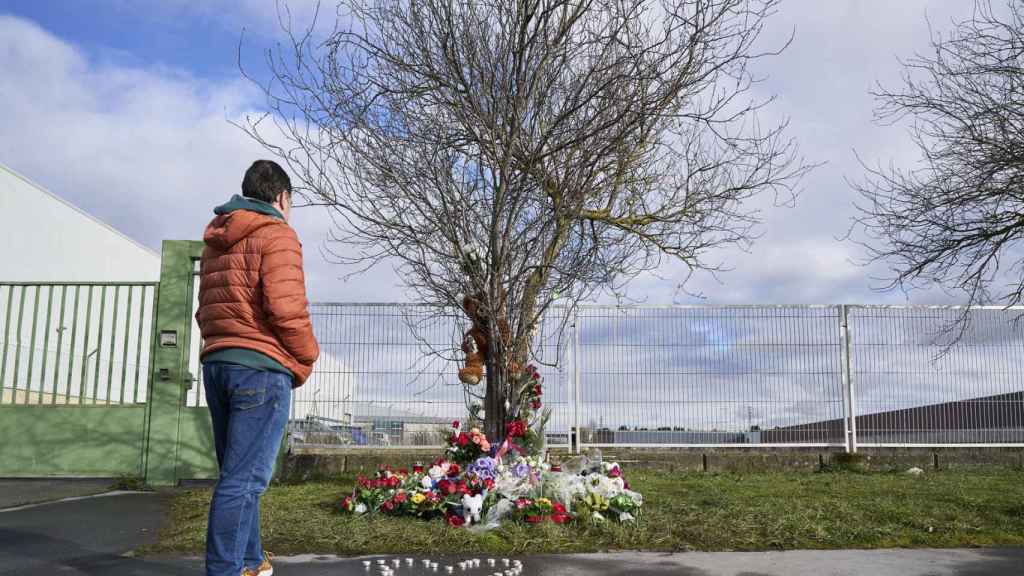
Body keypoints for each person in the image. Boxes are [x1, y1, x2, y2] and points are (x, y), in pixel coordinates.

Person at [195, 159, 320, 576]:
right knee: (244, 481)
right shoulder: (277, 234)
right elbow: (286, 309)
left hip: (218, 364)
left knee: (236, 475)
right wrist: (307, 356)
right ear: (282, 198)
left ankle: (250, 562)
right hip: (259, 370)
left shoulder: (217, 239)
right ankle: (225, 571)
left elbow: (205, 311)